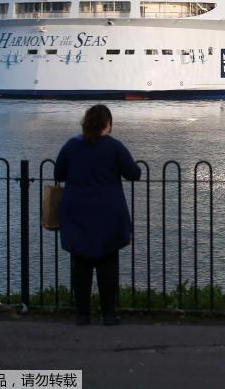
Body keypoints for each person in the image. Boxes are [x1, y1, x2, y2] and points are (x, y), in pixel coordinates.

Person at [54, 104, 141, 326]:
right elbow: (134, 174)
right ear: (107, 124)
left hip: (77, 213)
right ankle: (108, 314)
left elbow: (59, 173)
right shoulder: (114, 147)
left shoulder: (71, 145)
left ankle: (82, 314)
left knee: (80, 265)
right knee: (107, 264)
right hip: (107, 214)